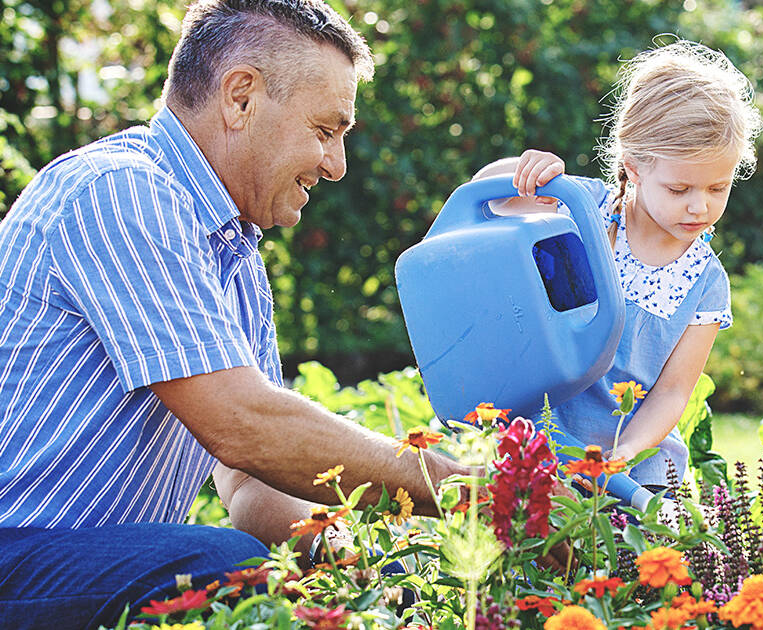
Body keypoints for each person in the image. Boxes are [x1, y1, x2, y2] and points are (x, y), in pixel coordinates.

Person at [0, 2, 468, 628]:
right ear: (241, 97)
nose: (336, 165)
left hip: (72, 565)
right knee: (223, 564)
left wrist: (359, 566)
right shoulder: (119, 192)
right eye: (325, 131)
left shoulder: (234, 261)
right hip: (16, 551)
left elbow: (251, 485)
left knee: (279, 572)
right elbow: (243, 426)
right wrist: (456, 487)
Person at [507, 40, 763, 501]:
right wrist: (522, 170)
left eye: (717, 187)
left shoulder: (705, 284)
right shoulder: (582, 210)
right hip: (541, 448)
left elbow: (671, 393)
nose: (699, 205)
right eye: (680, 187)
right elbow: (493, 205)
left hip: (637, 472)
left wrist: (620, 456)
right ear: (634, 168)